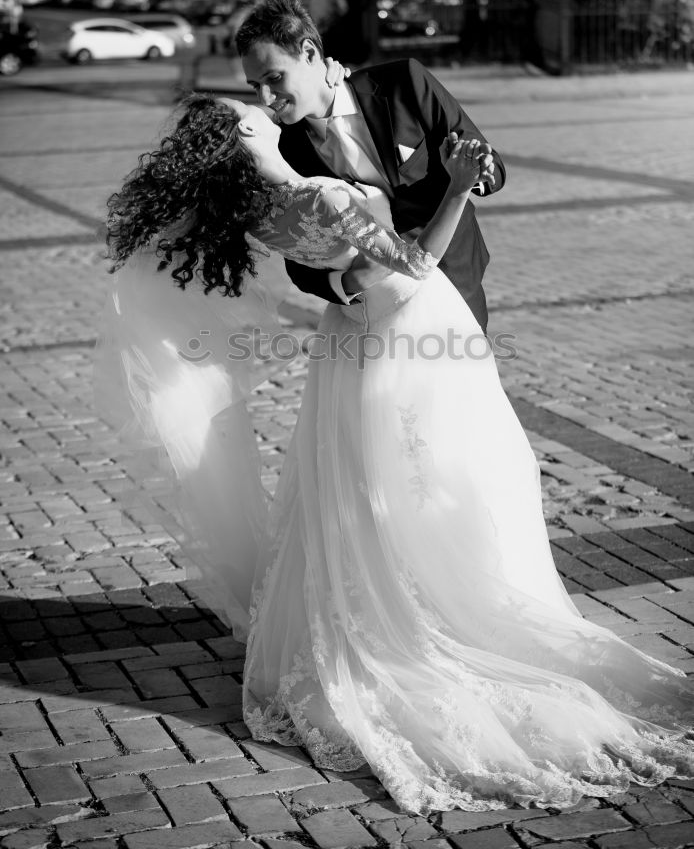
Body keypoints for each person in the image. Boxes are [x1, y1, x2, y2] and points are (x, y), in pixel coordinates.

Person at [100, 93, 694, 817]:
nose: (257, 104)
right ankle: (448, 609)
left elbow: (342, 277)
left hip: (349, 343)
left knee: (371, 487)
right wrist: (450, 186)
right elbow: (414, 261)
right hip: (412, 332)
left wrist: (353, 278)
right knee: (461, 472)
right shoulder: (313, 193)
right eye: (244, 106)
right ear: (241, 133)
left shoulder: (261, 211)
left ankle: (411, 592)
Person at [235, 0, 504, 333]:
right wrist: (352, 283)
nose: (267, 96)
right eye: (256, 86)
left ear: (309, 53)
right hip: (374, 309)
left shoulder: (404, 83)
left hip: (453, 277)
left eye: (274, 78)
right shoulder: (284, 150)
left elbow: (490, 164)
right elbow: (299, 262)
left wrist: (476, 170)